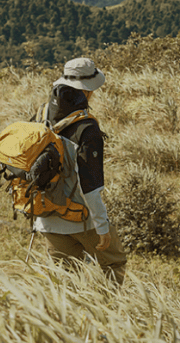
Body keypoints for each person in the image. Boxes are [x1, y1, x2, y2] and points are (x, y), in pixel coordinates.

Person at [33, 57, 127, 284]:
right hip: (81, 217)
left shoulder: (42, 114)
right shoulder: (88, 128)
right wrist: (102, 226)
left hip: (47, 215)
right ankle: (109, 314)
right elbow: (90, 186)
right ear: (87, 90)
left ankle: (65, 318)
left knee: (64, 280)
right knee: (113, 263)